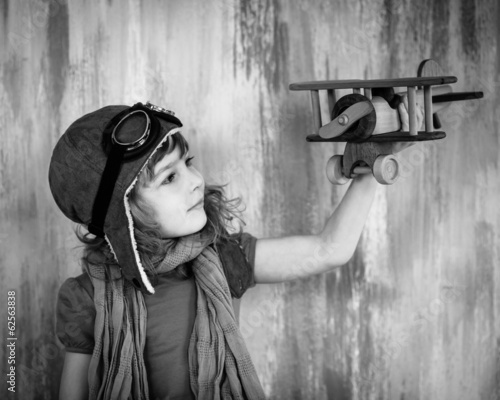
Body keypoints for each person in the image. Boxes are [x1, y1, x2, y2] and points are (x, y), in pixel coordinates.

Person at [50, 97, 422, 400]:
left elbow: (330, 249)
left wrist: (374, 161)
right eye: (170, 177)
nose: (196, 181)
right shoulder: (87, 298)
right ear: (121, 213)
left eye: (188, 163)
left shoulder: (225, 257)